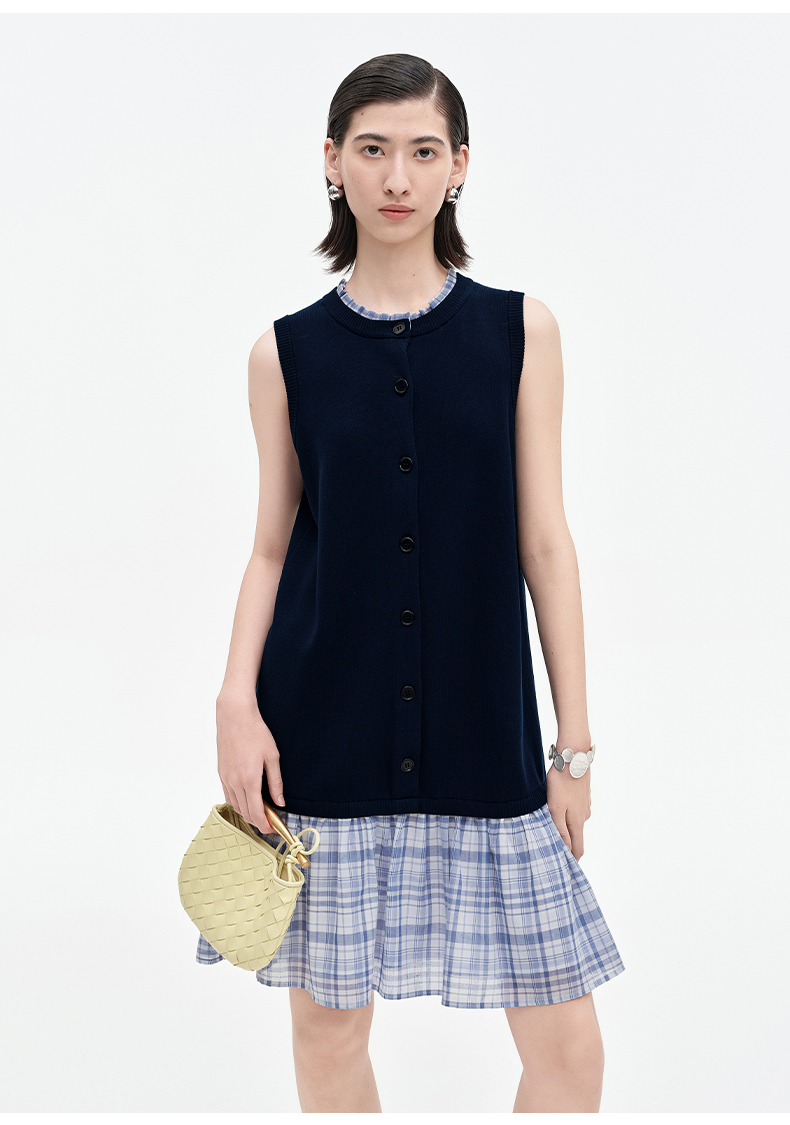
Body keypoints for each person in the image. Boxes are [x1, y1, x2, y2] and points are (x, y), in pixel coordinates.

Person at [195, 52, 626, 1113]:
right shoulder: (284, 355)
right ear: (332, 161)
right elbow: (270, 547)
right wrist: (236, 704)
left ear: (459, 166)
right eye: (374, 149)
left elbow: (546, 544)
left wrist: (572, 747)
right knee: (328, 1035)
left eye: (424, 151)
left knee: (568, 1052)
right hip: (323, 735)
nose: (397, 177)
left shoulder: (519, 332)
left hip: (487, 735)